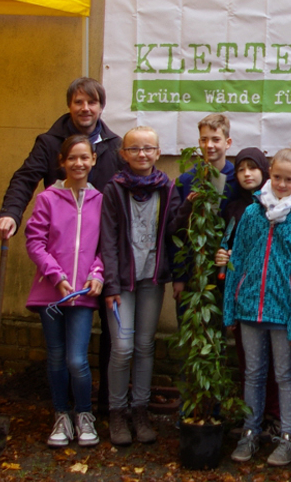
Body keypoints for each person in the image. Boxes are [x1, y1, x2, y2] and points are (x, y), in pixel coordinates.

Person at [0, 77, 123, 416]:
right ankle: (63, 410)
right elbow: (25, 178)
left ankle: (105, 407)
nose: (85, 108)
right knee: (64, 349)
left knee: (109, 338)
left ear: (101, 107)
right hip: (63, 264)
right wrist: (10, 213)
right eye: (79, 102)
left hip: (102, 258)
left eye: (92, 102)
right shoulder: (50, 142)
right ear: (70, 105)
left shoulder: (114, 145)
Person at [224, 147, 291, 466]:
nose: (281, 184)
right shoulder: (253, 213)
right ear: (270, 173)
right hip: (250, 306)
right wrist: (230, 307)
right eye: (276, 177)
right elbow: (237, 259)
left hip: (283, 311)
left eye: (288, 179)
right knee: (252, 372)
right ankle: (249, 432)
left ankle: (288, 437)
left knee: (285, 374)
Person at [101, 126, 182, 447]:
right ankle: (117, 412)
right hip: (121, 282)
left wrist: (178, 275)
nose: (142, 154)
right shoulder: (114, 189)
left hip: (152, 280)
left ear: (158, 153)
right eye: (134, 149)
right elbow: (106, 240)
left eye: (148, 148)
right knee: (122, 348)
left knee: (145, 346)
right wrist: (109, 285)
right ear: (123, 155)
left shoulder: (167, 188)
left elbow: (175, 232)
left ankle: (140, 411)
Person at [23, 135, 105, 448]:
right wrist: (56, 276)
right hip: (51, 293)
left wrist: (97, 273)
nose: (79, 164)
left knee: (76, 360)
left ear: (94, 160)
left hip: (83, 293)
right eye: (72, 158)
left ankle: (84, 414)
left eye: (85, 157)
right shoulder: (47, 199)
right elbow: (35, 242)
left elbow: (105, 246)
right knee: (56, 357)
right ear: (62, 162)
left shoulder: (101, 199)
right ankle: (61, 415)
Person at [214, 148, 280, 436]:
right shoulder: (231, 208)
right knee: (248, 362)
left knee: (275, 364)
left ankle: (274, 416)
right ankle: (251, 418)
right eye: (241, 169)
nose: (247, 174)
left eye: (253, 168)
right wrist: (222, 257)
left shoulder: (275, 206)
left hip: (272, 296)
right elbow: (226, 244)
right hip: (242, 297)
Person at [173, 113, 238, 306]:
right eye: (204, 140)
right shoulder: (186, 180)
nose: (209, 145)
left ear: (228, 142)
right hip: (193, 270)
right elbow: (177, 232)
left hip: (223, 270)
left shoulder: (237, 180)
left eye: (216, 139)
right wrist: (179, 276)